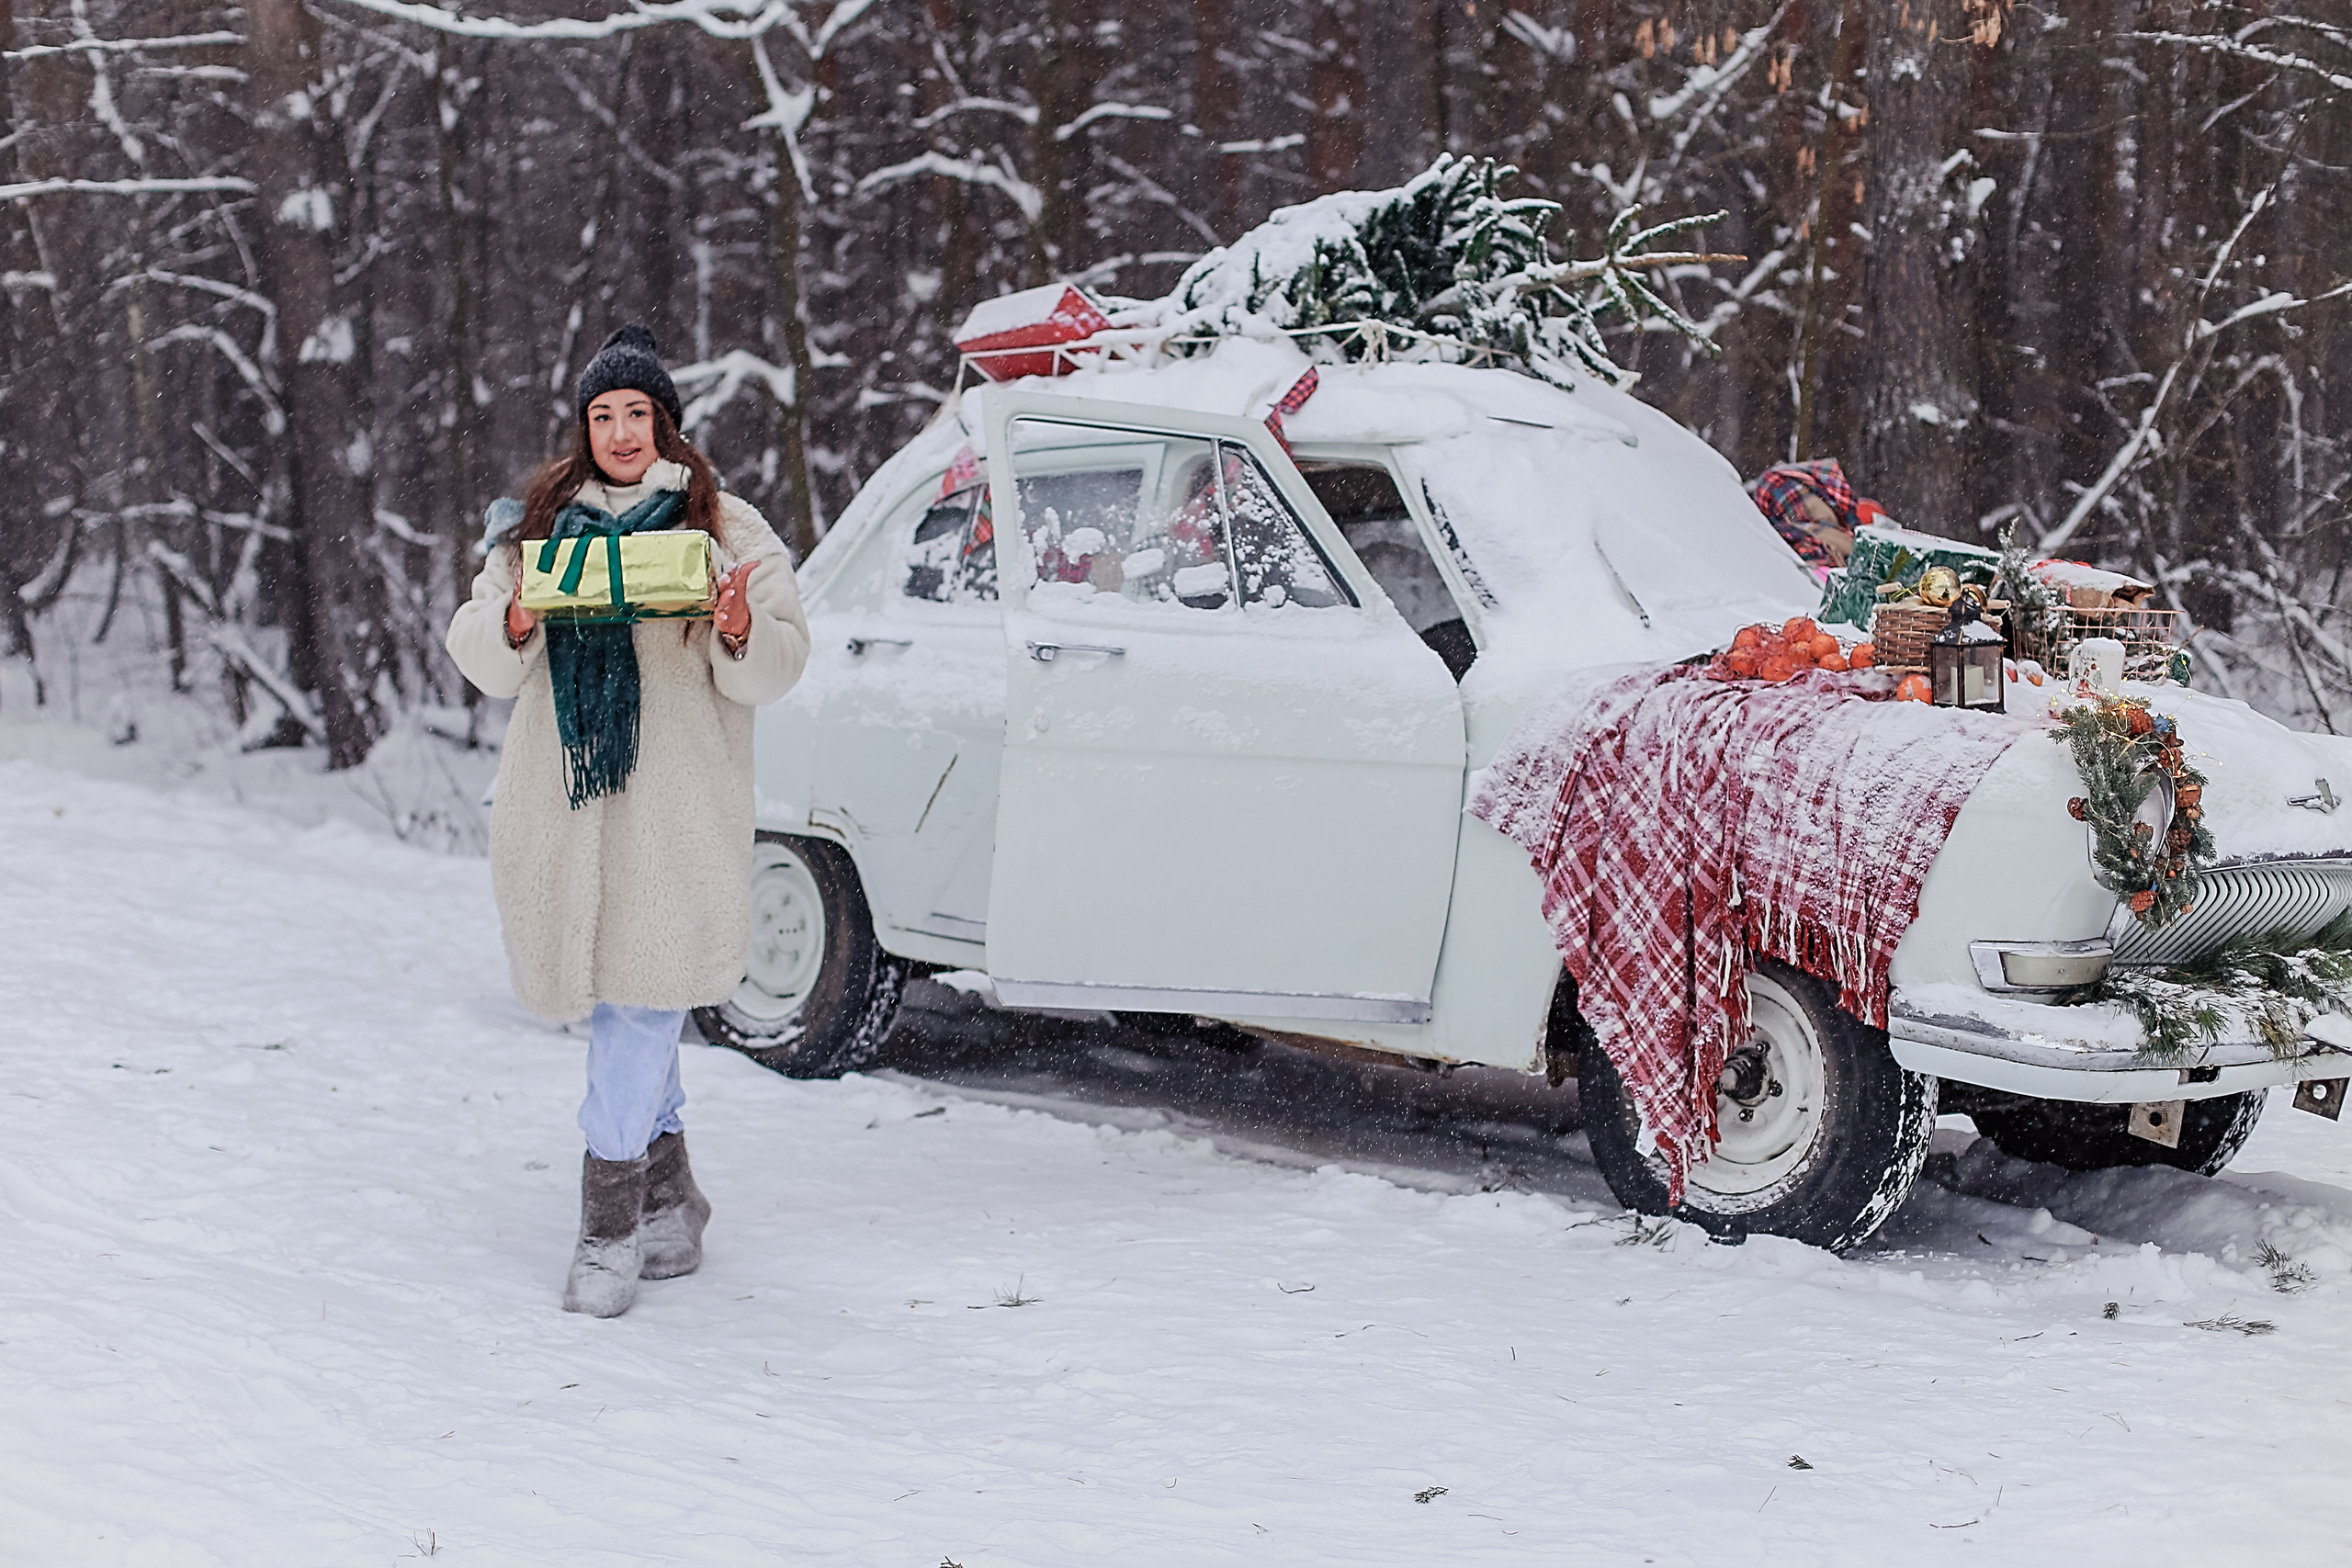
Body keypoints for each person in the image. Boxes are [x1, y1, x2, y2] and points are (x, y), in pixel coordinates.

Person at [446, 324, 812, 1317]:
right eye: (602, 415)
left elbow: (783, 660)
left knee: (640, 1007)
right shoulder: (536, 525)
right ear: (584, 425)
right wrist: (517, 619)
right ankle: (672, 1199)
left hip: (673, 814)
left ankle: (606, 1230)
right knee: (627, 1004)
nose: (618, 432)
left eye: (635, 413)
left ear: (665, 423)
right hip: (568, 806)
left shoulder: (725, 526)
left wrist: (738, 625)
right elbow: (479, 652)